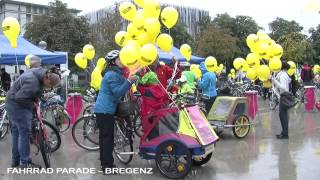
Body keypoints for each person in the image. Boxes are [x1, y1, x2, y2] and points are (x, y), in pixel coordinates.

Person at [5, 65, 61, 168]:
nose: (49, 88)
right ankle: (25, 163)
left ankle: (15, 161)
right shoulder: (33, 82)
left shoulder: (39, 72)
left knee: (17, 133)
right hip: (17, 106)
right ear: (46, 78)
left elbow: (34, 90)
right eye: (50, 85)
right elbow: (20, 98)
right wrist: (33, 104)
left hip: (11, 103)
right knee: (24, 134)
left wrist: (39, 97)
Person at [94, 50, 137, 172]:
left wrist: (129, 80)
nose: (122, 61)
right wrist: (129, 81)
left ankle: (105, 163)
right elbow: (118, 92)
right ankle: (108, 166)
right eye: (119, 59)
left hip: (104, 109)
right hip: (105, 110)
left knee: (104, 138)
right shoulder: (112, 74)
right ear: (113, 62)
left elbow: (121, 88)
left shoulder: (115, 73)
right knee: (107, 139)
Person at [272, 61, 291, 139]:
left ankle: (285, 134)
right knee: (283, 115)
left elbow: (283, 87)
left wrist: (275, 81)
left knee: (283, 116)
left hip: (284, 96)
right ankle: (284, 133)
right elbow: (289, 81)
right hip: (284, 96)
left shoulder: (283, 75)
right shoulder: (284, 74)